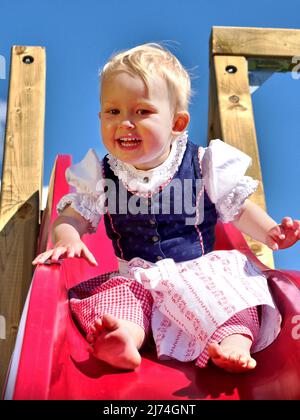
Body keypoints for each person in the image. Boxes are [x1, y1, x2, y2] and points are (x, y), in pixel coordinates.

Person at [33, 43, 300, 373]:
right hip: (139, 278)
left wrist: (272, 231)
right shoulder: (100, 175)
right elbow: (71, 216)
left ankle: (234, 344)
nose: (125, 122)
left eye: (142, 112)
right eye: (113, 112)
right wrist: (67, 238)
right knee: (115, 298)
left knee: (235, 292)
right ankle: (125, 340)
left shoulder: (204, 163)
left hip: (199, 276)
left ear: (177, 123)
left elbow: (239, 209)